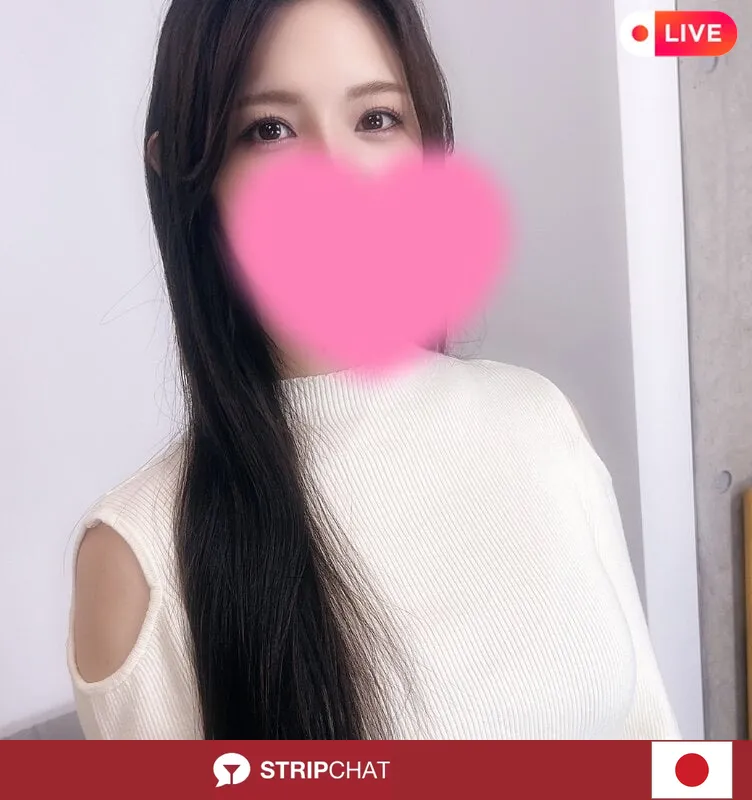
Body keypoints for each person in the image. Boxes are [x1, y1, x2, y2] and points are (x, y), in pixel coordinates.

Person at [67, 0, 681, 740]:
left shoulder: (539, 419)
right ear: (190, 178)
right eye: (269, 130)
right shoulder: (138, 559)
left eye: (376, 119)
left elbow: (652, 739)